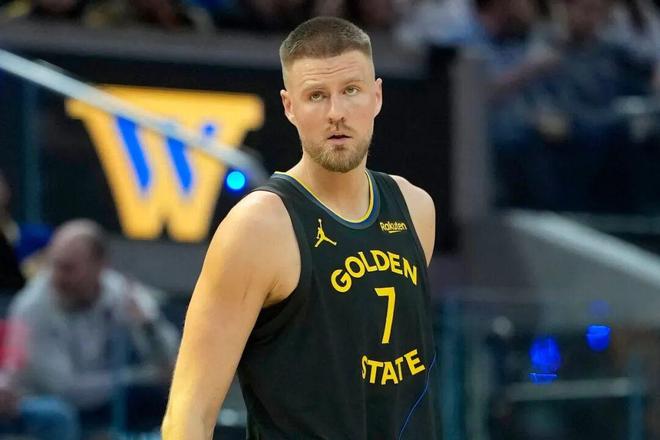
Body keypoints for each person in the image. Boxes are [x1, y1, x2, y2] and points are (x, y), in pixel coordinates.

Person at [162, 16, 438, 439]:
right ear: (290, 107)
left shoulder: (415, 209)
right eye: (316, 96)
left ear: (377, 96)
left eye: (351, 91)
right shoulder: (258, 227)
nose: (336, 113)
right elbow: (188, 414)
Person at [4, 219, 180, 434]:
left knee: (171, 400)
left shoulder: (122, 294)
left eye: (68, 268)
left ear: (99, 265)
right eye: (54, 265)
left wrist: (148, 327)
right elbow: (64, 389)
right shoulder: (32, 307)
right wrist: (140, 379)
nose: (58, 277)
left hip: (108, 402)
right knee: (60, 414)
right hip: (45, 406)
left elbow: (170, 362)